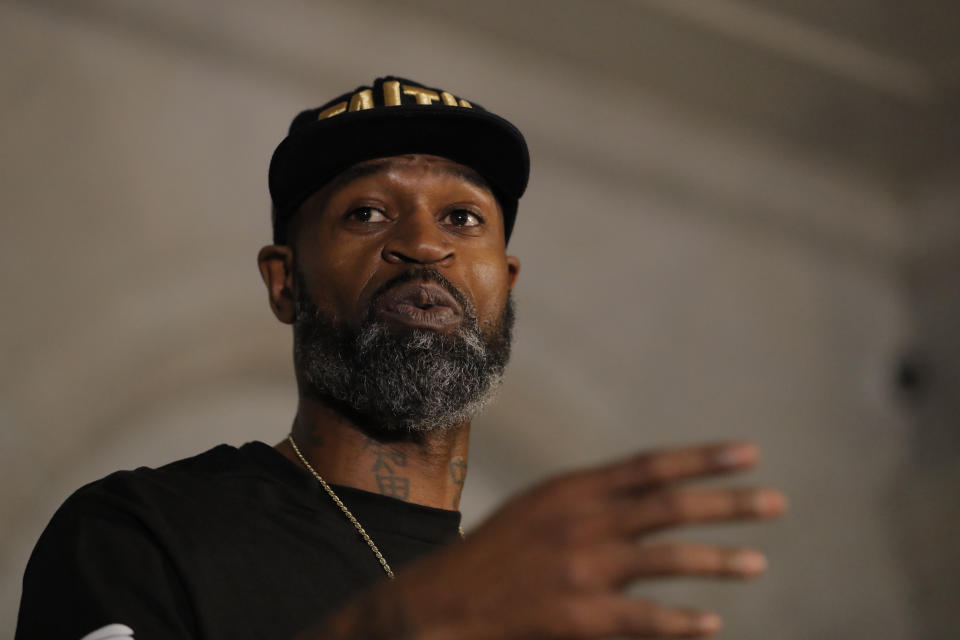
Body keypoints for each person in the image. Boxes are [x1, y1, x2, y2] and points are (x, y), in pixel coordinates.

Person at [16, 76, 786, 640]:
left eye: (462, 216)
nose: (424, 243)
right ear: (286, 283)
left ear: (504, 283)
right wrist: (399, 623)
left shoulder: (541, 602)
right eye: (368, 212)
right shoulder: (140, 531)